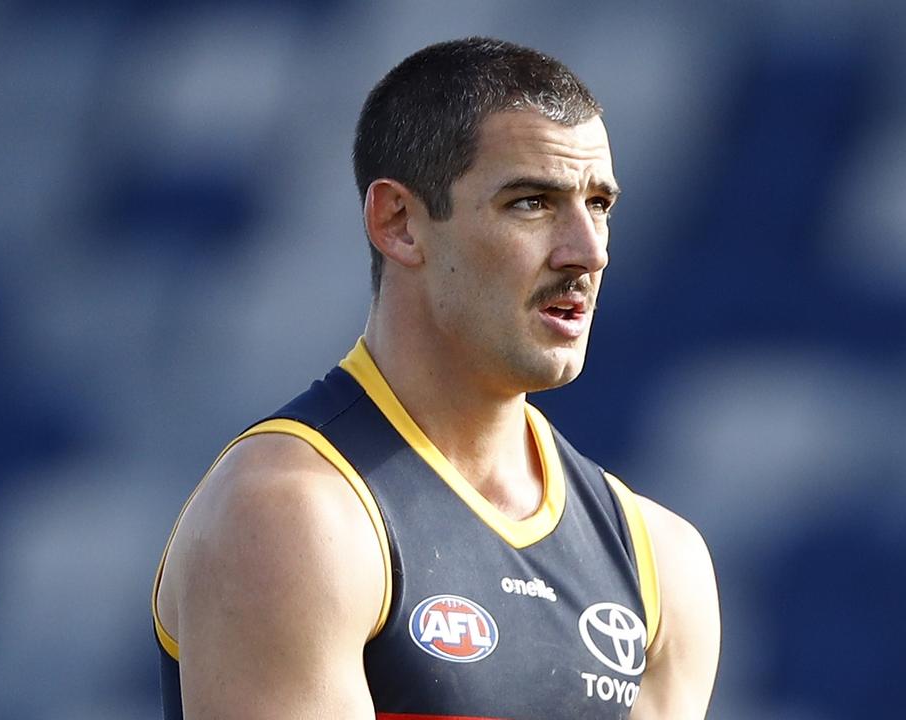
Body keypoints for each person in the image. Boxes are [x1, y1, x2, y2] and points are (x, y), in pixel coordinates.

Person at [152, 37, 720, 719]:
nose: (587, 252)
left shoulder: (660, 561)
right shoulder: (293, 513)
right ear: (398, 223)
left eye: (598, 204)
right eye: (532, 202)